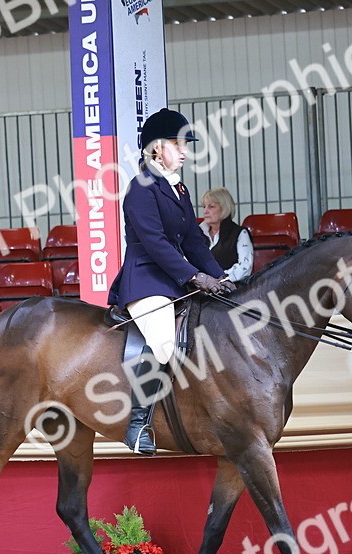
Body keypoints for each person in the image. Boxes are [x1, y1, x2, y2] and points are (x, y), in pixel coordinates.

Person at [108, 108, 235, 456]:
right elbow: (156, 243)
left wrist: (220, 277)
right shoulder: (140, 189)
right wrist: (194, 276)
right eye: (177, 145)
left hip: (175, 279)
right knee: (165, 342)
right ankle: (137, 425)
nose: (184, 151)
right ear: (156, 149)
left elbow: (193, 239)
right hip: (147, 279)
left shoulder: (178, 188)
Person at [200, 188, 254, 284]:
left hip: (232, 292)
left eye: (211, 206)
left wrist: (218, 280)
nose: (205, 211)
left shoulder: (240, 233)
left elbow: (245, 268)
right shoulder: (197, 234)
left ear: (224, 208)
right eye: (204, 207)